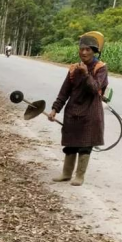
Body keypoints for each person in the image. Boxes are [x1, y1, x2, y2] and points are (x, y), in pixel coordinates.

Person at [48, 31, 108, 186]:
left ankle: (79, 175)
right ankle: (66, 173)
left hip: (90, 112)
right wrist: (55, 109)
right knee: (70, 144)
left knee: (85, 145)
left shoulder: (100, 68)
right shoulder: (73, 68)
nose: (84, 52)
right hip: (72, 111)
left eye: (88, 49)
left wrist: (86, 74)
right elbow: (64, 91)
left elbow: (95, 89)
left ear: (94, 51)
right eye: (82, 49)